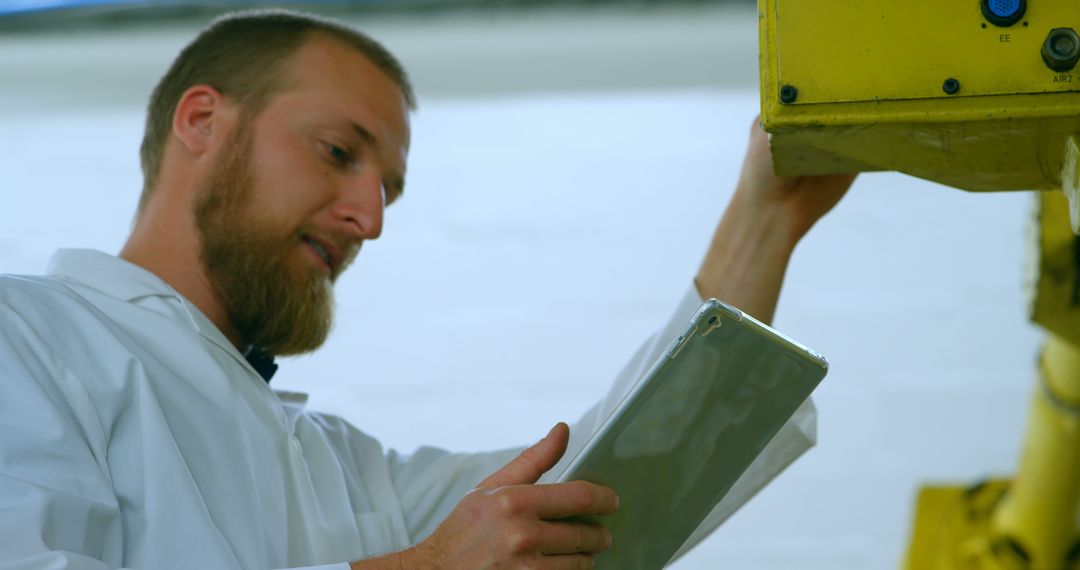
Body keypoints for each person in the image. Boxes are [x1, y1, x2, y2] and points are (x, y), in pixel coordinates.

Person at [0, 9, 854, 570]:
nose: (368, 219)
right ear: (202, 121)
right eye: (339, 152)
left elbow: (606, 491)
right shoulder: (28, 339)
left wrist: (767, 218)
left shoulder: (342, 470)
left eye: (389, 191)